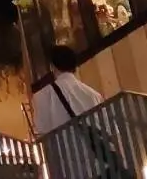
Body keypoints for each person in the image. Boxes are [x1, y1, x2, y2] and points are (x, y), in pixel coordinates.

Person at [33, 47, 130, 179]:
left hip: (68, 168)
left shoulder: (42, 96)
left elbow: (41, 131)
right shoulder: (93, 94)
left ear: (52, 66)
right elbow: (109, 130)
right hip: (100, 165)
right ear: (75, 66)